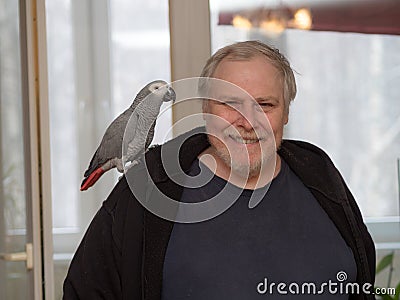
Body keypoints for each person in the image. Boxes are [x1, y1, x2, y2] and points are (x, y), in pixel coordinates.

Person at [63, 41, 375, 300]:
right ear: (205, 110)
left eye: (265, 105)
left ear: (286, 113)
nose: (247, 121)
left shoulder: (323, 181)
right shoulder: (148, 187)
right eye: (229, 104)